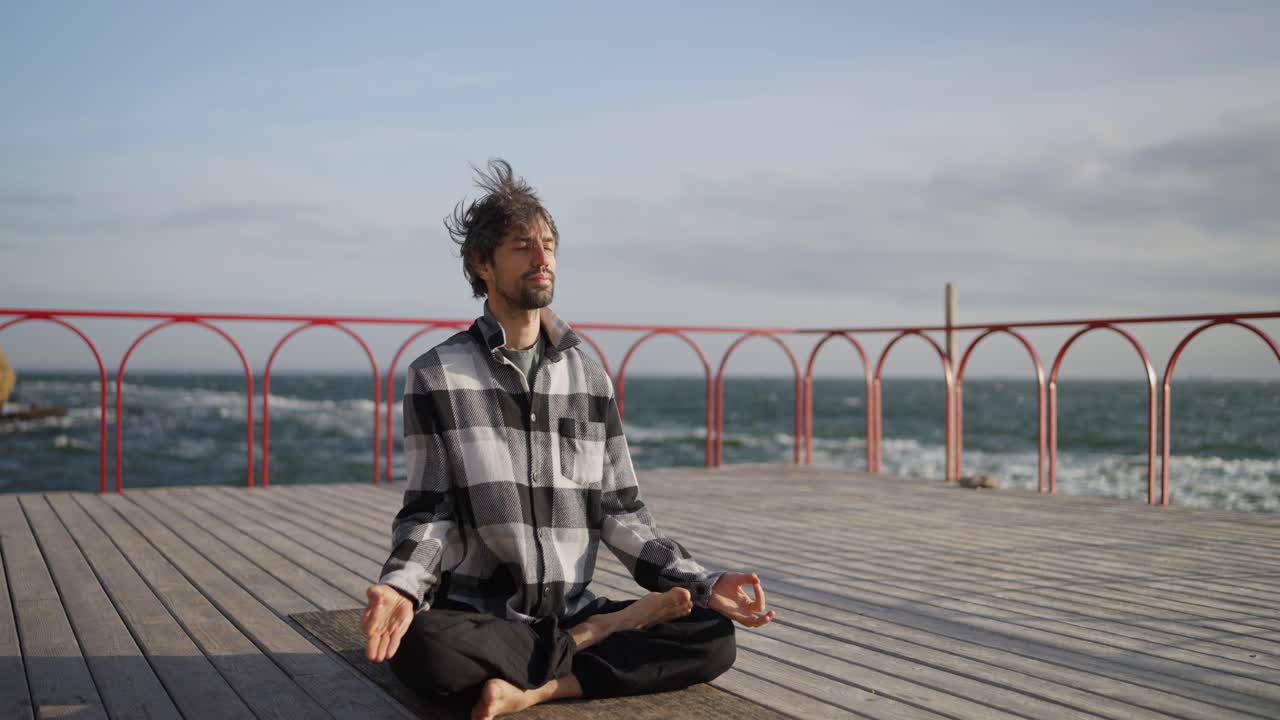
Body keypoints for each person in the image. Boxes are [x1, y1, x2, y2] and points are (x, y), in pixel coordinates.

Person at [361, 160, 774, 720]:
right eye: (522, 246)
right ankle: (599, 638)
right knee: (425, 648)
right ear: (482, 264)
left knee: (711, 634)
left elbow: (622, 511)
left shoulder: (589, 375)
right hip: (486, 618)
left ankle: (537, 688)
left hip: (569, 609)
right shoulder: (437, 375)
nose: (543, 258)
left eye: (549, 244)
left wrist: (702, 582)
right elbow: (429, 512)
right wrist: (402, 588)